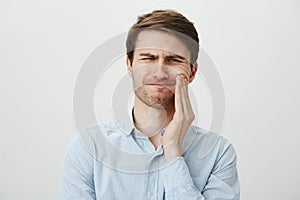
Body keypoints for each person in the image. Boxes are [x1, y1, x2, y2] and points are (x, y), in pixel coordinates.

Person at [61, 9, 240, 200]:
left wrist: (172, 151)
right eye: (148, 58)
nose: (159, 72)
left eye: (174, 60)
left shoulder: (218, 153)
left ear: (193, 71)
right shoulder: (88, 147)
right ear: (129, 64)